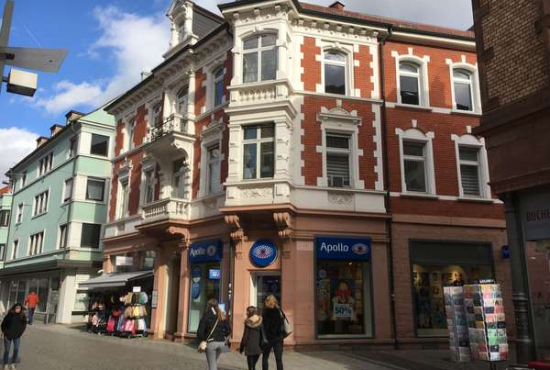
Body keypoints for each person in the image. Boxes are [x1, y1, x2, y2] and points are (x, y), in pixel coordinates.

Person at [197, 299, 231, 370]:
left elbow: (200, 332)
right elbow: (229, 330)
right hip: (221, 343)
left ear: (208, 305)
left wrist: (203, 340)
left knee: (212, 365)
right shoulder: (222, 315)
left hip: (211, 342)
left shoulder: (206, 315)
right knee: (213, 362)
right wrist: (223, 336)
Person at [1, 303, 27, 370]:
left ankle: (12, 364)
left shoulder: (22, 316)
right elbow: (3, 324)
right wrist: (5, 332)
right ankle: (6, 364)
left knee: (16, 349)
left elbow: (24, 325)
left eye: (19, 308)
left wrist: (20, 333)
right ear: (14, 308)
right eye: (16, 308)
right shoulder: (10, 315)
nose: (17, 309)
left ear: (20, 309)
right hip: (8, 336)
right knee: (7, 350)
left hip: (17, 336)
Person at [262, 295, 284, 370]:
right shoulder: (279, 311)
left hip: (268, 338)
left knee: (265, 357)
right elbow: (282, 323)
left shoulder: (265, 311)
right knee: (279, 359)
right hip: (278, 338)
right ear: (275, 301)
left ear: (266, 301)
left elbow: (264, 326)